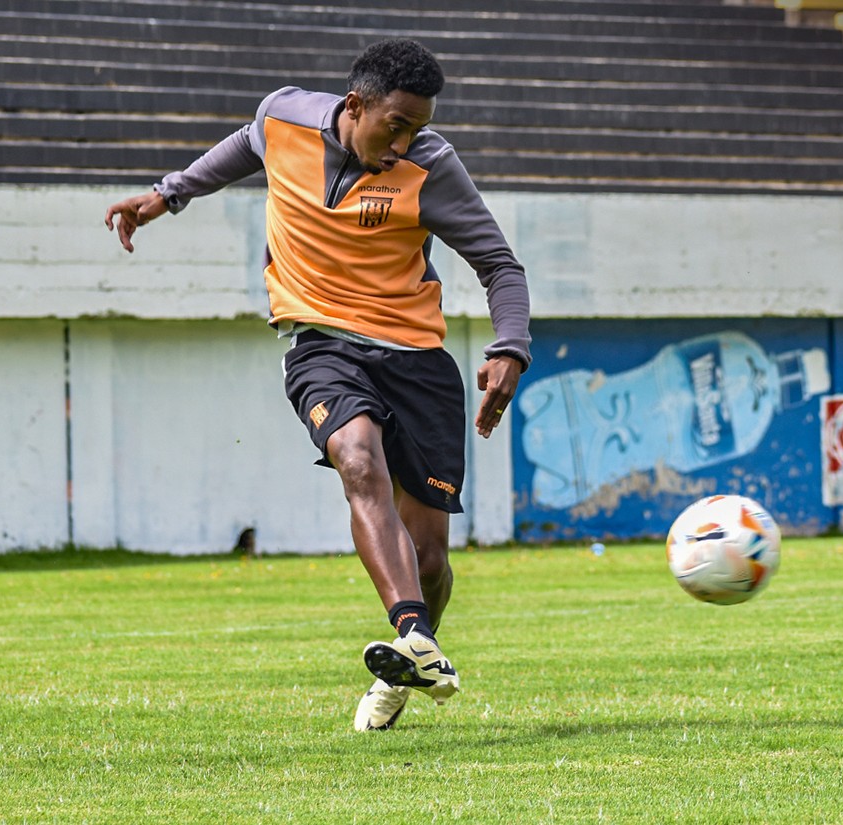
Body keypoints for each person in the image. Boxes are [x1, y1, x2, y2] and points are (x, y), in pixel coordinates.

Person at [104, 38, 531, 731]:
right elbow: (247, 143)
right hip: (321, 345)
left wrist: (510, 346)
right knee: (357, 459)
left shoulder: (431, 166)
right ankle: (414, 631)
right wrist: (167, 194)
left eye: (417, 129)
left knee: (430, 556)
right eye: (395, 125)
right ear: (355, 106)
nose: (404, 143)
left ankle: (412, 655)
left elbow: (500, 266)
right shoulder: (286, 119)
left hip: (418, 358)